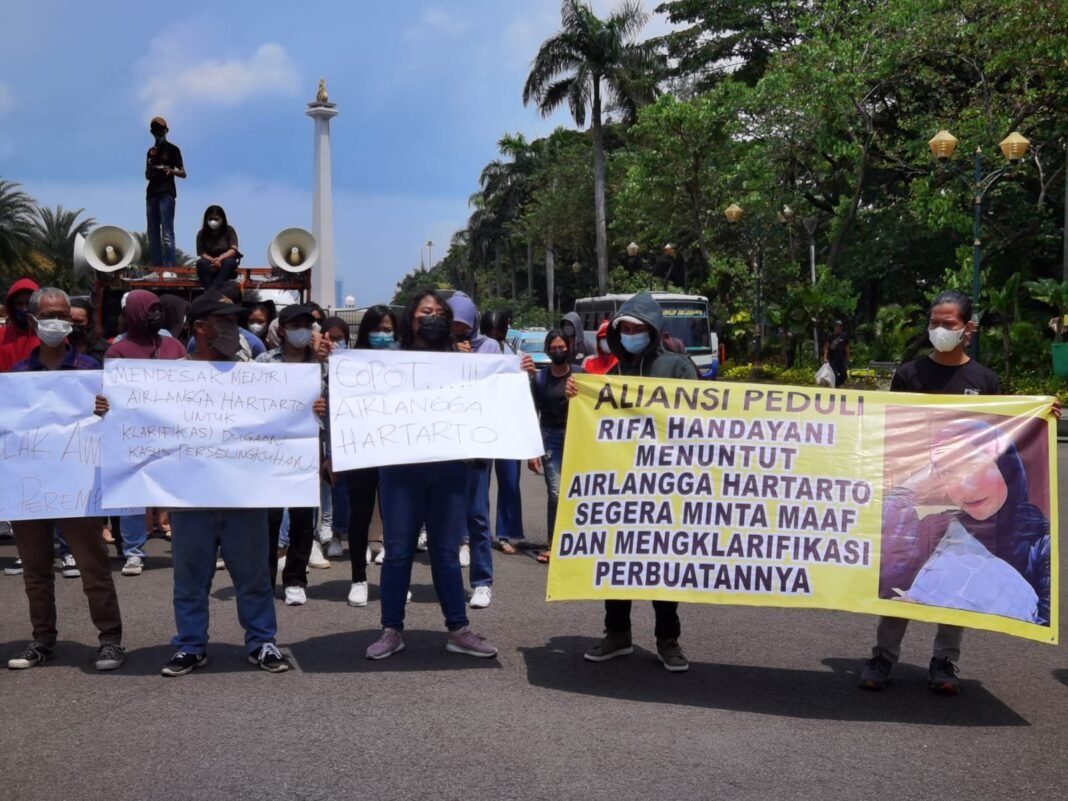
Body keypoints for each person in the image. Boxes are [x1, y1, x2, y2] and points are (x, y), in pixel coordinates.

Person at [858, 290, 1058, 695]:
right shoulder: (910, 375)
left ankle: (945, 663)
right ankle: (883, 656)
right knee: (901, 578)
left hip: (970, 509)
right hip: (923, 498)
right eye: (933, 322)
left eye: (948, 324)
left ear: (968, 328)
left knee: (957, 588)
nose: (938, 330)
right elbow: (893, 432)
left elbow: (1006, 432)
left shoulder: (984, 381)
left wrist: (1043, 415)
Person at [160, 291, 288, 675]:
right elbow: (148, 427)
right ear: (201, 328)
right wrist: (111, 407)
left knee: (253, 578)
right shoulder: (169, 378)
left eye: (236, 321)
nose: (236, 330)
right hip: (190, 500)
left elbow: (282, 422)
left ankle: (262, 641)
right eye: (226, 322)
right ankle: (190, 645)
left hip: (243, 497)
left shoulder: (254, 378)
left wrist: (307, 408)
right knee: (190, 580)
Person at [365, 290, 497, 660]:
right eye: (426, 311)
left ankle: (459, 629)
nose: (433, 317)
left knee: (446, 553)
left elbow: (489, 401)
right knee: (398, 552)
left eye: (440, 312)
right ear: (411, 317)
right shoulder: (387, 361)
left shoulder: (461, 361)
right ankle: (391, 629)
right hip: (400, 471)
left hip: (449, 470)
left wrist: (515, 375)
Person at [7, 287, 125, 672]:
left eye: (64, 314)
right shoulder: (18, 376)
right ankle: (42, 640)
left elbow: (118, 425)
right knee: (36, 570)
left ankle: (109, 639)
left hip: (79, 485)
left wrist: (108, 409)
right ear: (33, 319)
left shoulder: (90, 370)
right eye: (50, 315)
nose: (58, 322)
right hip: (30, 486)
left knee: (93, 566)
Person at [584, 292, 697, 673]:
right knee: (619, 563)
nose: (631, 334)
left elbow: (701, 419)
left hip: (666, 486)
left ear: (653, 331)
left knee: (663, 567)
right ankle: (617, 634)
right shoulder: (613, 375)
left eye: (638, 328)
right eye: (625, 328)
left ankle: (669, 640)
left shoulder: (678, 367)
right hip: (623, 487)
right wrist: (577, 396)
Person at [104, 290, 187, 576]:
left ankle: (186, 547)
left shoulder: (174, 347)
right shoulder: (117, 351)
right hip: (133, 434)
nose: (155, 315)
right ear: (135, 312)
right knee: (131, 494)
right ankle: (133, 552)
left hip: (172, 432)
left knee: (178, 491)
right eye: (149, 309)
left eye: (158, 309)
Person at [255, 303, 328, 606]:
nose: (302, 331)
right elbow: (250, 401)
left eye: (307, 325)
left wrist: (324, 405)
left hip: (308, 448)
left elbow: (342, 406)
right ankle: (265, 576)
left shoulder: (323, 364)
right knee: (269, 516)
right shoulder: (264, 361)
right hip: (271, 448)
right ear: (282, 330)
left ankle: (296, 578)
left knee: (302, 515)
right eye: (295, 325)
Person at [329, 307, 399, 606]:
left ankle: (396, 581)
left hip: (397, 449)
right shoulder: (348, 365)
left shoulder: (404, 362)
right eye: (378, 329)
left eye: (389, 330)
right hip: (361, 449)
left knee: (396, 518)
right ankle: (359, 578)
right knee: (359, 515)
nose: (384, 335)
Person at [448, 293, 500, 609]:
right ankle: (450, 582)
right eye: (452, 327)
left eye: (463, 327)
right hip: (445, 441)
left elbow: (492, 387)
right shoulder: (438, 348)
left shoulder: (489, 348)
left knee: (478, 515)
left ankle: (482, 582)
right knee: (447, 517)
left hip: (478, 442)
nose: (458, 332)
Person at [528, 328, 582, 564]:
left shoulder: (581, 376)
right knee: (556, 493)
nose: (558, 351)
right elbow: (532, 415)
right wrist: (533, 451)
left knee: (579, 493)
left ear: (569, 348)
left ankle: (579, 542)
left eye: (562, 347)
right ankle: (554, 543)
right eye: (554, 348)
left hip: (579, 437)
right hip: (551, 439)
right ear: (547, 351)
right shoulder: (539, 379)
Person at [481, 309, 526, 555]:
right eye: (490, 334)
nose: (495, 340)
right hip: (483, 427)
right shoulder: (474, 354)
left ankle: (506, 533)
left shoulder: (517, 357)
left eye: (499, 335)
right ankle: (478, 531)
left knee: (509, 482)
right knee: (480, 484)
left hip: (509, 428)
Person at [145, 116, 186, 268]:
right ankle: (157, 268)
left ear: (166, 131)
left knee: (167, 233)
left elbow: (183, 173)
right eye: (156, 131)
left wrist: (171, 171)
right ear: (152, 132)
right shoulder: (150, 152)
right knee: (153, 233)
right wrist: (151, 165)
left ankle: (169, 268)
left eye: (161, 130)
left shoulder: (173, 150)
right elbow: (147, 176)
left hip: (167, 193)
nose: (158, 133)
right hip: (152, 193)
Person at [194, 205, 242, 289]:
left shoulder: (229, 230)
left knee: (229, 263)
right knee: (201, 263)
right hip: (210, 262)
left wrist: (220, 259)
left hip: (225, 261)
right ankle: (211, 291)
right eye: (210, 219)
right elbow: (202, 253)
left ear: (222, 219)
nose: (213, 222)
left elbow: (233, 249)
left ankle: (212, 292)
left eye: (216, 219)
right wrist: (213, 260)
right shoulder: (201, 233)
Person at [0, 278, 41, 372]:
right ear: (12, 306)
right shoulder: (2, 335)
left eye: (28, 303)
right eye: (19, 304)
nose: (24, 309)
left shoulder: (49, 335)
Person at [68, 298, 109, 364]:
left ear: (89, 323)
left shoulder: (104, 349)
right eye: (69, 321)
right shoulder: (56, 347)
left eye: (78, 321)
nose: (73, 325)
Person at [823, 320, 850, 388]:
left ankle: (836, 385)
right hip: (833, 360)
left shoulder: (844, 336)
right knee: (834, 375)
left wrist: (848, 357)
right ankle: (836, 388)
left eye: (840, 327)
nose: (839, 328)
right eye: (837, 327)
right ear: (835, 327)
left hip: (841, 360)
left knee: (844, 375)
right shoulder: (830, 336)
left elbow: (847, 347)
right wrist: (825, 357)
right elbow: (826, 347)